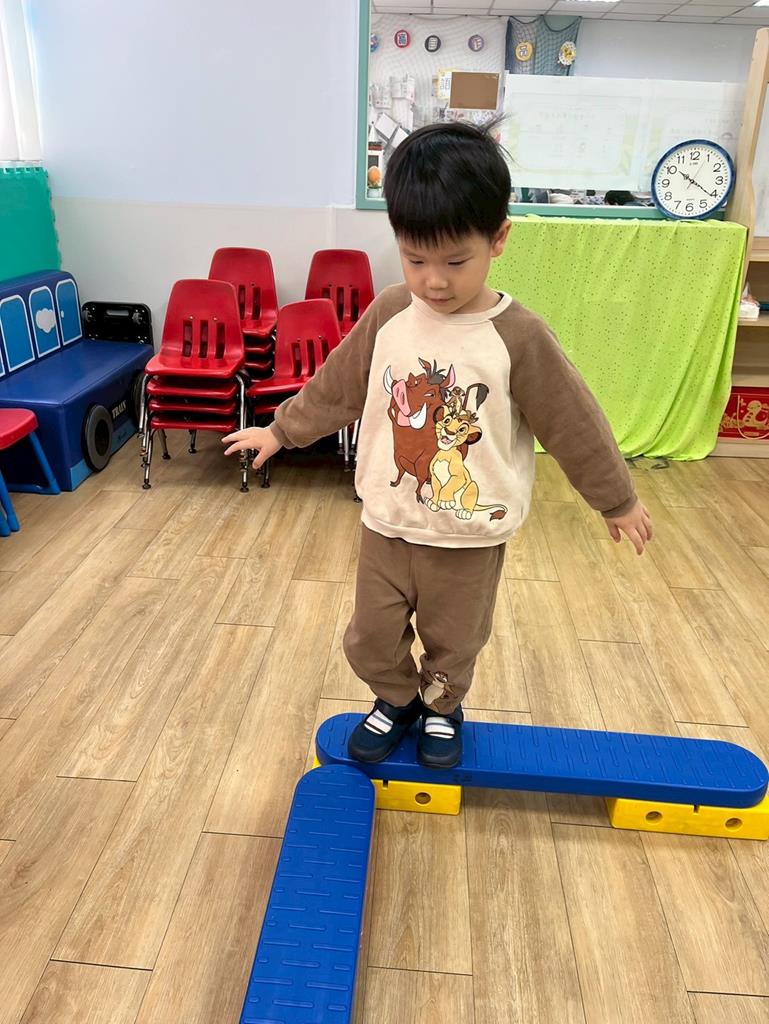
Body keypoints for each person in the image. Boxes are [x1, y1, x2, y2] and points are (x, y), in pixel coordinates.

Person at [223, 122, 652, 771]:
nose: (434, 282)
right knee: (369, 639)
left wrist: (615, 499)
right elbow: (339, 383)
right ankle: (398, 698)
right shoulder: (391, 312)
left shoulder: (517, 335)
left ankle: (442, 707)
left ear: (498, 238)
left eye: (455, 262)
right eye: (415, 259)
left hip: (468, 535)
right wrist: (280, 431)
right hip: (388, 522)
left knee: (454, 643)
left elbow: (573, 421)